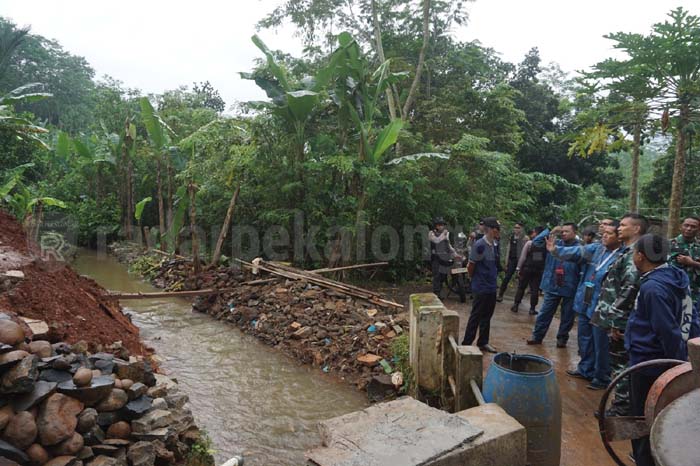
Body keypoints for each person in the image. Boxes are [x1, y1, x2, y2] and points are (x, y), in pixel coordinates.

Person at [625, 234, 700, 466]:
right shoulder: (678, 275)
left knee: (642, 417)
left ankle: (644, 459)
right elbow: (692, 317)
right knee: (663, 414)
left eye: (634, 253)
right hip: (671, 361)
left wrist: (674, 366)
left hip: (652, 364)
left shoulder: (653, 288)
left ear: (640, 256)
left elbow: (667, 330)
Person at [545, 222, 622, 389]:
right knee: (584, 337)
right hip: (586, 300)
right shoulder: (596, 249)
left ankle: (601, 377)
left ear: (619, 237)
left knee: (600, 343)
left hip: (603, 305)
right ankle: (585, 368)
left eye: (609, 233)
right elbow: (576, 252)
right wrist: (556, 250)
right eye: (604, 232)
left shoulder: (622, 256)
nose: (604, 235)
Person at [592, 213, 648, 406]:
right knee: (618, 364)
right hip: (618, 319)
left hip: (621, 322)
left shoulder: (635, 254)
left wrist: (616, 322)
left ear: (636, 229)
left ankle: (621, 407)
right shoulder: (627, 251)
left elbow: (629, 289)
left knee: (621, 366)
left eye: (623, 225)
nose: (619, 228)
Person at [527, 223, 582, 347]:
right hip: (552, 285)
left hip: (570, 286)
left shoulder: (580, 249)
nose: (563, 233)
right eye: (562, 231)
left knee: (567, 316)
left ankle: (562, 338)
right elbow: (536, 242)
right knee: (545, 313)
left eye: (567, 231)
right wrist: (550, 231)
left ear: (575, 233)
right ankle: (537, 336)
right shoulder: (553, 244)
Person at [462, 217, 501, 353]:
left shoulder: (495, 244)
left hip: (491, 286)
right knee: (476, 315)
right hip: (480, 286)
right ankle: (466, 343)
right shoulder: (479, 245)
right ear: (490, 230)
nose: (499, 232)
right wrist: (474, 279)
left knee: (487, 316)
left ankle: (483, 342)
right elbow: (471, 265)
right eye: (497, 229)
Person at [511, 226, 546, 314]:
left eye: (534, 232)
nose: (533, 233)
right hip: (538, 270)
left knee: (521, 287)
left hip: (527, 268)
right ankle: (532, 309)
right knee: (535, 289)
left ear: (537, 233)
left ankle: (515, 305)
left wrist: (518, 268)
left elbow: (523, 257)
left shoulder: (530, 243)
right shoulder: (546, 244)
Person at [669, 216, 700, 306]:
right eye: (686, 225)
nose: (689, 229)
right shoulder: (668, 245)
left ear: (698, 229)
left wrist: (692, 263)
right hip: (672, 292)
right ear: (680, 226)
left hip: (695, 295)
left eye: (693, 226)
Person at [429, 217, 457, 299]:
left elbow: (448, 245)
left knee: (443, 275)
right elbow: (436, 241)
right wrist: (444, 235)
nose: (442, 227)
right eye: (440, 225)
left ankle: (440, 291)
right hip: (435, 257)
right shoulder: (431, 233)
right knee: (436, 275)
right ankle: (436, 294)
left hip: (444, 257)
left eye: (443, 225)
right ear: (436, 226)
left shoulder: (445, 234)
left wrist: (455, 253)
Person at [497, 222, 526, 302]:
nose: (516, 229)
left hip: (521, 261)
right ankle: (500, 295)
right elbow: (508, 250)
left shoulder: (524, 238)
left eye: (518, 227)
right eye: (515, 227)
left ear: (521, 229)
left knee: (521, 280)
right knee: (507, 277)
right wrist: (506, 262)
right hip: (512, 260)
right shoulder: (512, 237)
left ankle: (518, 300)